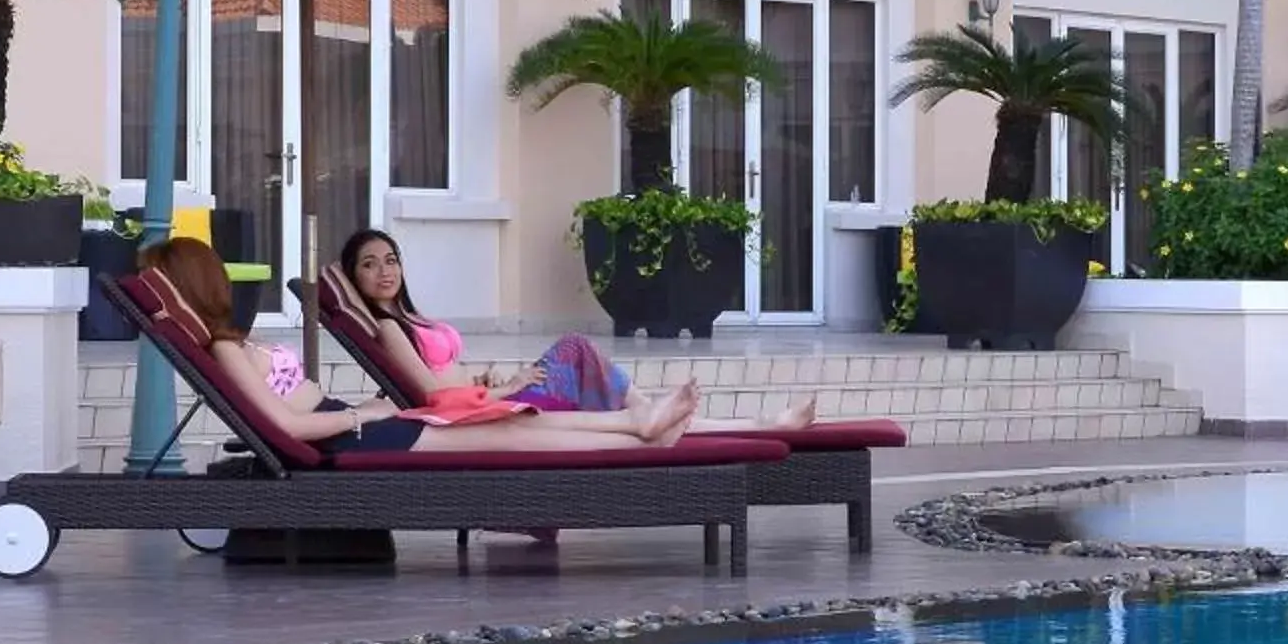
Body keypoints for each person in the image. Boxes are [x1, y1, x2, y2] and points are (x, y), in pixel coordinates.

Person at [142, 238, 699, 456]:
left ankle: (638, 427)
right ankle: (637, 430)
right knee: (508, 434)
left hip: (356, 424)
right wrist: (362, 413)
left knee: (510, 427)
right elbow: (285, 428)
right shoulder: (224, 352)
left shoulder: (232, 344)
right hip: (354, 433)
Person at [337, 229, 814, 430]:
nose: (385, 271)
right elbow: (431, 394)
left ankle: (740, 424)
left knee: (598, 374)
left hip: (487, 401)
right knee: (576, 348)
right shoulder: (388, 328)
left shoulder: (409, 319)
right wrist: (509, 386)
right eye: (369, 265)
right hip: (486, 415)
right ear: (355, 278)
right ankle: (728, 422)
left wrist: (482, 381)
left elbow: (447, 379)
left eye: (391, 260)